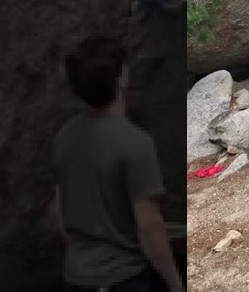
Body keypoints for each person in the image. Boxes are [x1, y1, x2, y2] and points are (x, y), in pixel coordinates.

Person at [51, 38, 183, 292]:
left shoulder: (63, 137)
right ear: (121, 77)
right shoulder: (135, 143)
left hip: (76, 277)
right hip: (124, 278)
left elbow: (57, 213)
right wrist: (175, 284)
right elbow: (149, 226)